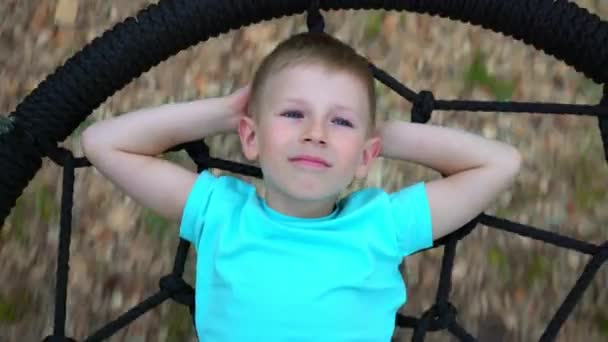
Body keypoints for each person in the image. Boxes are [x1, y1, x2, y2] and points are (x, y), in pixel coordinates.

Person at [81, 32, 521, 341]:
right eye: (294, 114)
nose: (316, 132)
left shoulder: (380, 224)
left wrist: (377, 135)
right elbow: (103, 143)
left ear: (367, 157)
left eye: (340, 121)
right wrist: (225, 113)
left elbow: (500, 164)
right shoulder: (219, 211)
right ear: (250, 137)